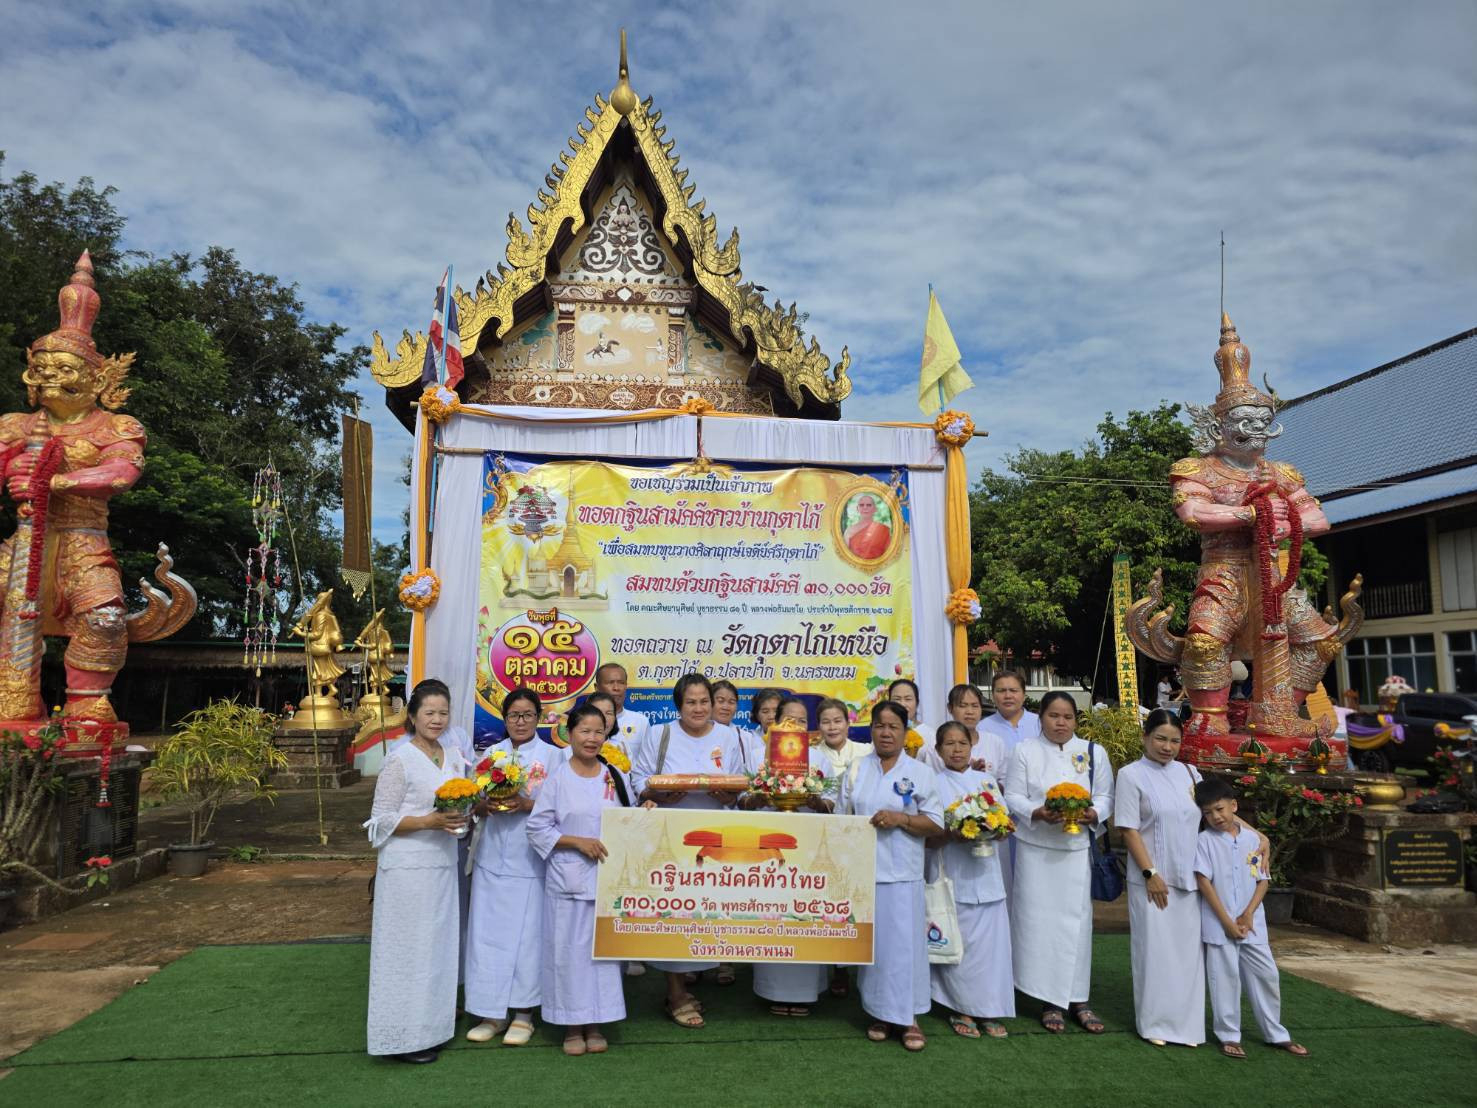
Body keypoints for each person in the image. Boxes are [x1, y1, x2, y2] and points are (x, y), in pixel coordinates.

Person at [527, 702, 652, 1055]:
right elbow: (537, 828)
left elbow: (627, 819)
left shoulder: (614, 775)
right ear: (570, 734)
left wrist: (645, 813)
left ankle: (597, 1023)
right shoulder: (558, 778)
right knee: (568, 953)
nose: (592, 738)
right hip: (567, 880)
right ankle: (571, 1026)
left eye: (599, 731)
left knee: (602, 956)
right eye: (585, 731)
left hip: (607, 881)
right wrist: (575, 842)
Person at [364, 681, 469, 1062]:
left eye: (443, 713)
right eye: (429, 713)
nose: (437, 720)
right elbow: (379, 822)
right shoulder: (400, 759)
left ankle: (433, 1028)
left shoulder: (454, 756)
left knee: (437, 950)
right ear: (412, 716)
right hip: (406, 871)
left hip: (442, 867)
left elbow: (460, 810)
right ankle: (401, 1037)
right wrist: (429, 821)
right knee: (406, 952)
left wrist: (460, 822)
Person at [631, 673, 743, 1026]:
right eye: (691, 702)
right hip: (669, 836)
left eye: (704, 701)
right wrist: (658, 794)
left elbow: (740, 783)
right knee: (673, 912)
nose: (699, 708)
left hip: (714, 839)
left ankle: (691, 983)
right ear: (678, 705)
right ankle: (676, 992)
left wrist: (728, 795)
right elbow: (638, 779)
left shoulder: (728, 736)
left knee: (706, 911)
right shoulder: (659, 733)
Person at [1005, 689, 1114, 1035]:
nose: (1061, 722)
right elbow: (1013, 796)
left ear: (1075, 720)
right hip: (1036, 849)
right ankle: (1047, 999)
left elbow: (1106, 795)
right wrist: (1036, 812)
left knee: (1077, 926)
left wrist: (1093, 812)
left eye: (1067, 716)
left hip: (1076, 850)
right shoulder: (1024, 751)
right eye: (1054, 715)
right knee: (1037, 925)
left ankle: (1077, 998)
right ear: (1041, 718)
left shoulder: (1093, 752)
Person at [837, 700, 943, 1051]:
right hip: (864, 874)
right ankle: (880, 1013)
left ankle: (910, 1018)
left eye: (893, 726)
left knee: (905, 948)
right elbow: (841, 820)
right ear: (871, 729)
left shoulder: (922, 772)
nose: (885, 732)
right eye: (879, 725)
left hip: (903, 873)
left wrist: (902, 819)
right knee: (876, 950)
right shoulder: (855, 769)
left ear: (905, 732)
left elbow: (936, 823)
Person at [464, 687, 566, 1045]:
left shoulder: (555, 758)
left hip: (531, 860)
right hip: (493, 858)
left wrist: (528, 805)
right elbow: (472, 806)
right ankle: (491, 1013)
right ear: (504, 720)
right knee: (487, 936)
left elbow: (561, 810)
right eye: (513, 716)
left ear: (538, 718)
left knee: (528, 937)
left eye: (527, 715)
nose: (520, 722)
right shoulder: (491, 755)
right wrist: (482, 807)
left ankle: (524, 1013)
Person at [1193, 776, 1309, 1059]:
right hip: (1219, 924)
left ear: (1234, 805)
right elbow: (1204, 882)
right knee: (1225, 979)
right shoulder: (1205, 841)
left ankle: (1275, 1033)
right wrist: (1228, 922)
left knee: (1266, 975)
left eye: (1220, 809)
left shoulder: (1253, 840)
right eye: (1208, 813)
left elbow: (1263, 879)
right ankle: (1229, 1035)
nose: (1215, 817)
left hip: (1253, 924)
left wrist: (1247, 914)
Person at [1115, 709, 1205, 1048]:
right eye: (1161, 739)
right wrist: (1149, 872)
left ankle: (1187, 1026)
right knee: (1154, 952)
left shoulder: (1191, 773)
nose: (1168, 747)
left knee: (1187, 955)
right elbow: (1128, 827)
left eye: (1175, 741)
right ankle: (1154, 1023)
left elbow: (1214, 815)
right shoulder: (1131, 774)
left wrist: (1255, 834)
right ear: (1146, 738)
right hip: (1151, 878)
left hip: (1190, 878)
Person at [928, 721, 1015, 1040]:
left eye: (962, 743)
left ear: (971, 747)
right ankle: (960, 1007)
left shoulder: (987, 781)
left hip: (988, 874)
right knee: (960, 942)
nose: (956, 749)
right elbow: (931, 834)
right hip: (955, 872)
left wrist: (994, 828)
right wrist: (954, 834)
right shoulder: (932, 783)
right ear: (937, 750)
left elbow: (1006, 826)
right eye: (948, 744)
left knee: (991, 948)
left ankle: (989, 1009)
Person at [596, 662, 649, 755]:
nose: (616, 688)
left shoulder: (641, 721)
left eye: (621, 683)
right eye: (610, 682)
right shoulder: (584, 721)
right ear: (597, 688)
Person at [887, 678, 934, 759]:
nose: (902, 704)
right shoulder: (883, 733)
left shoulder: (930, 735)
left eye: (908, 699)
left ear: (917, 703)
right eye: (897, 699)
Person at [844, 492, 893, 559]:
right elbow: (845, 557)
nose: (865, 507)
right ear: (857, 509)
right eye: (861, 505)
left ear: (875, 509)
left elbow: (889, 555)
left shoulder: (883, 530)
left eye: (869, 505)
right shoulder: (849, 531)